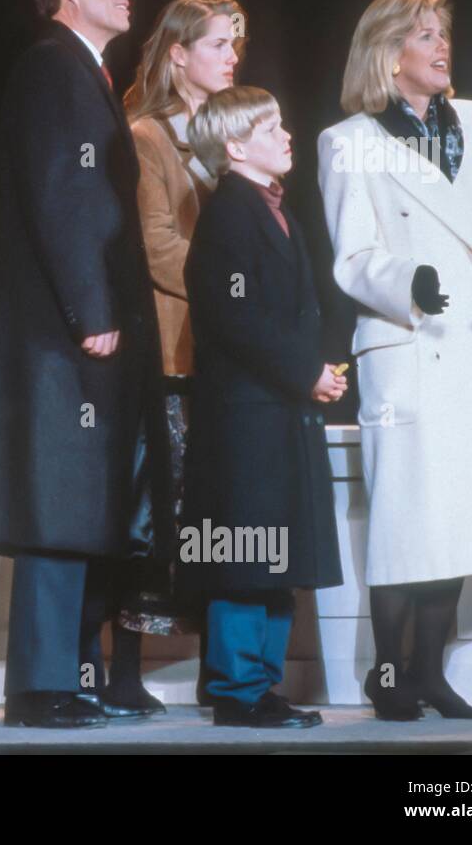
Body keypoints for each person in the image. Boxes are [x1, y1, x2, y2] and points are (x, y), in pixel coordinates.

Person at [0, 0, 171, 729]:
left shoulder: (86, 72)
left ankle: (67, 677)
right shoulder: (53, 66)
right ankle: (42, 686)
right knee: (56, 501)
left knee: (81, 501)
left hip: (81, 328)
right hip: (64, 332)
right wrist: (94, 311)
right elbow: (63, 194)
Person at [317, 0, 472, 720]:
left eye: (443, 32)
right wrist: (404, 282)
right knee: (408, 521)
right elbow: (352, 258)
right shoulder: (347, 140)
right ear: (388, 53)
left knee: (462, 519)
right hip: (409, 347)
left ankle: (431, 673)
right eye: (424, 36)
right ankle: (391, 676)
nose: (442, 46)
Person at [183, 86, 346, 728]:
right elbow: (233, 317)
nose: (286, 135)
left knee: (273, 554)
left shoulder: (275, 211)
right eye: (270, 126)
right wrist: (305, 371)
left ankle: (259, 687)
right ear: (234, 146)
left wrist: (313, 371)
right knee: (245, 552)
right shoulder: (229, 215)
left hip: (277, 413)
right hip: (246, 417)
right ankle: (238, 689)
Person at [120, 0, 243, 705]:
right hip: (172, 350)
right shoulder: (147, 136)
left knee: (213, 514)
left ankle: (215, 672)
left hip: (224, 357)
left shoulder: (234, 138)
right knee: (153, 508)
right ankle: (122, 671)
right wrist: (233, 284)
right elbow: (156, 243)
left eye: (234, 46)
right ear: (178, 55)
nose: (231, 58)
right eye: (219, 44)